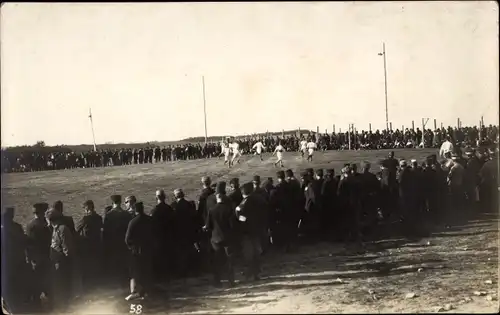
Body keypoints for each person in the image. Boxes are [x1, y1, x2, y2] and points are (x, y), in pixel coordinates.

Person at [203, 187, 238, 287]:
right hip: (227, 238)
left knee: (217, 261)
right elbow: (232, 225)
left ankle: (217, 281)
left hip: (216, 238)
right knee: (229, 260)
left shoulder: (211, 210)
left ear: (217, 199)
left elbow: (208, 226)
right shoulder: (229, 209)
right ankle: (231, 281)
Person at [46, 208, 76, 311]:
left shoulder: (62, 229)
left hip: (62, 264)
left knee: (63, 289)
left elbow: (67, 249)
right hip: (57, 264)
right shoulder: (55, 229)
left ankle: (65, 309)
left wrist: (64, 262)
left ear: (49, 220)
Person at [1, 207, 29, 313]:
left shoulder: (5, 229)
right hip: (17, 262)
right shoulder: (17, 227)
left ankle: (12, 308)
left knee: (9, 289)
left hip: (9, 264)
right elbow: (24, 242)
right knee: (15, 287)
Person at [125, 202, 154, 301]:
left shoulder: (133, 222)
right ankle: (147, 291)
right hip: (149, 249)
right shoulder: (150, 220)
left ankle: (136, 292)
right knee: (147, 270)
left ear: (135, 210)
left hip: (137, 251)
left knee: (136, 272)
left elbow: (127, 239)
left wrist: (132, 247)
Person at [236, 182, 265, 281]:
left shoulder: (244, 202)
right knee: (257, 252)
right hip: (258, 229)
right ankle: (257, 273)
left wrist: (242, 219)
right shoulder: (259, 199)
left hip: (248, 231)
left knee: (249, 254)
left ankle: (249, 274)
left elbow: (240, 216)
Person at [26, 203, 52, 310]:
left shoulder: (30, 225)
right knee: (46, 281)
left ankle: (37, 304)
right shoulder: (44, 225)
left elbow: (29, 244)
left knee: (38, 281)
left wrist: (30, 258)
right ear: (42, 212)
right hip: (45, 257)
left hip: (37, 259)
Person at [103, 195, 132, 287]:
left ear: (112, 203)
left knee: (115, 264)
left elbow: (106, 232)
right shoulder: (126, 214)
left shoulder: (109, 215)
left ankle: (116, 284)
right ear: (120, 202)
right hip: (123, 242)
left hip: (113, 243)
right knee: (124, 263)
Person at [76, 200, 103, 292]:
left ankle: (87, 290)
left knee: (87, 271)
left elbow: (76, 230)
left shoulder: (85, 219)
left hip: (87, 248)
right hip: (97, 247)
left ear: (87, 208)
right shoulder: (99, 218)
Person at [171, 189, 200, 278]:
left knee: (182, 253)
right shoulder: (188, 204)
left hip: (180, 233)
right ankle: (194, 270)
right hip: (189, 231)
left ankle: (183, 272)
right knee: (190, 251)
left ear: (176, 196)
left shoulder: (176, 206)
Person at [150, 189, 175, 281]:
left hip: (159, 237)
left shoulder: (155, 210)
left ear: (156, 197)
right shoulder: (169, 209)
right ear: (165, 197)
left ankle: (161, 275)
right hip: (169, 236)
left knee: (160, 257)